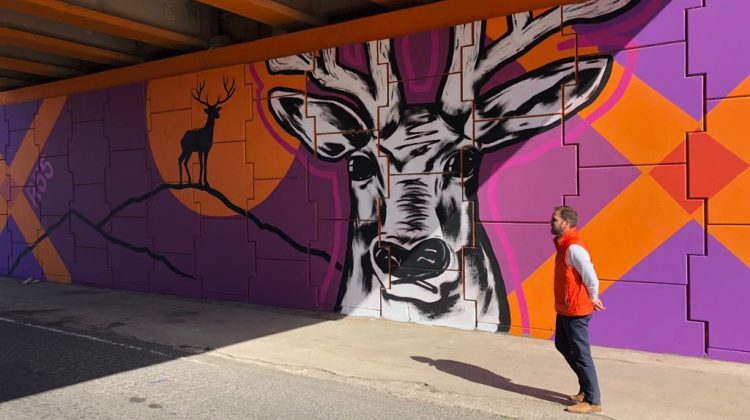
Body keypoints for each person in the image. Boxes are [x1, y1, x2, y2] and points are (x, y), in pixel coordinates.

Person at [550, 206, 605, 414]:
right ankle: (585, 388)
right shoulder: (563, 245)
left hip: (576, 309)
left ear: (566, 223)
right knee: (562, 344)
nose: (551, 222)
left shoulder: (573, 247)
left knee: (582, 354)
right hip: (565, 307)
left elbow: (590, 275)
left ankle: (593, 401)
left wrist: (593, 297)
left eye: (554, 219)